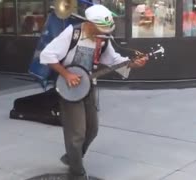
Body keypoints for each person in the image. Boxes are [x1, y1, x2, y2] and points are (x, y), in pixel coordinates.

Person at [40, 4, 147, 180]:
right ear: (89, 24)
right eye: (100, 29)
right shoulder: (72, 33)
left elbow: (114, 60)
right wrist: (66, 74)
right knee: (77, 133)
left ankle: (72, 157)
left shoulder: (102, 40)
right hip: (69, 89)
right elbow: (47, 55)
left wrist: (133, 63)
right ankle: (77, 172)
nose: (104, 33)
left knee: (92, 129)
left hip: (89, 86)